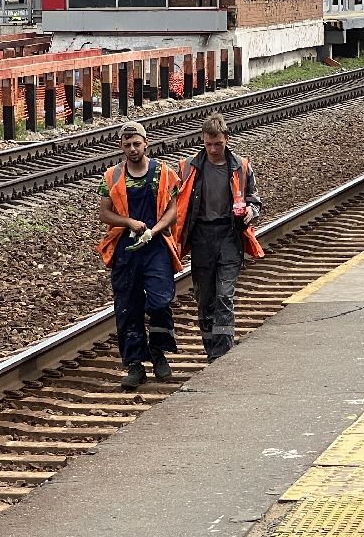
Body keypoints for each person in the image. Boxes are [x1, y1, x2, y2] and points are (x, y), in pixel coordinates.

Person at [97, 120, 181, 390]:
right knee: (127, 306)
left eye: (137, 143)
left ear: (146, 143)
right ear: (121, 147)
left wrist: (154, 230)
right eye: (127, 144)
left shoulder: (164, 173)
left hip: (155, 246)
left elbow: (172, 209)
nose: (133, 148)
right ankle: (135, 364)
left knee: (159, 301)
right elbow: (104, 213)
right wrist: (129, 222)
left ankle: (158, 351)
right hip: (126, 248)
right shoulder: (112, 176)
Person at [173, 112, 263, 361]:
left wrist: (250, 213)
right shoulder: (189, 167)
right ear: (202, 140)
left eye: (217, 144)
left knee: (224, 295)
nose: (213, 149)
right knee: (205, 299)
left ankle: (221, 355)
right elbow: (173, 202)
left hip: (229, 235)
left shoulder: (240, 167)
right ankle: (211, 347)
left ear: (226, 139)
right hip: (202, 236)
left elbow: (255, 199)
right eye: (208, 144)